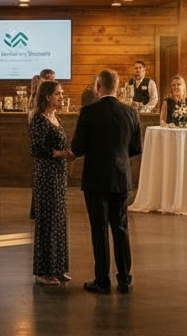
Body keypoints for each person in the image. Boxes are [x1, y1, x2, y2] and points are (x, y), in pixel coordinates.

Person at [70, 69, 142, 295]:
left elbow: (77, 148)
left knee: (99, 229)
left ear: (98, 86)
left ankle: (102, 280)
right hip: (120, 177)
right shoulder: (130, 112)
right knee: (121, 228)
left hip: (96, 178)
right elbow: (135, 148)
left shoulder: (89, 112)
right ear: (117, 87)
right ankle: (125, 280)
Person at [30, 80, 73, 286]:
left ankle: (58, 267)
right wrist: (62, 153)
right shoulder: (39, 119)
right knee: (48, 220)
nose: (62, 97)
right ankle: (43, 271)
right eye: (58, 94)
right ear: (47, 97)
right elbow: (37, 149)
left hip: (59, 174)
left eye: (62, 93)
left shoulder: (55, 117)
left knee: (59, 219)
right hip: (46, 175)